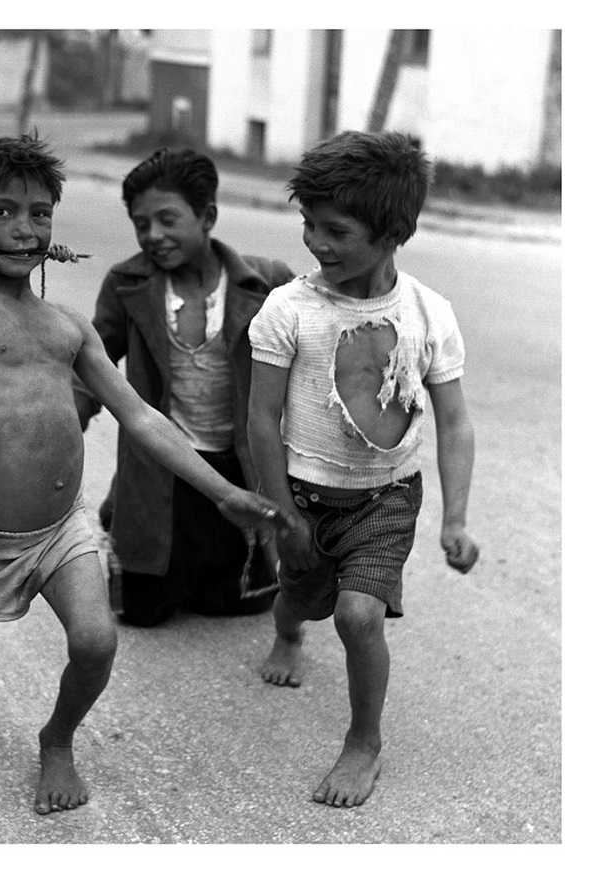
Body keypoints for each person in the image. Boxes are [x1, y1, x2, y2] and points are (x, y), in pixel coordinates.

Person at [0, 134, 291, 816]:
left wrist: (225, 492)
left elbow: (143, 417)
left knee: (96, 639)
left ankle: (56, 738)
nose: (24, 229)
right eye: (1, 212)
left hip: (62, 531)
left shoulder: (67, 327)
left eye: (39, 214)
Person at [248, 130, 480, 808]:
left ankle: (363, 743)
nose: (315, 242)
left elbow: (455, 420)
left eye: (335, 230)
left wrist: (456, 520)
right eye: (308, 225)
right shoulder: (288, 308)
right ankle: (287, 631)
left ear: (392, 233)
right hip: (302, 497)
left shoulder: (429, 313)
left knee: (356, 616)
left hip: (385, 499)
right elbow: (262, 418)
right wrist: (279, 509)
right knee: (299, 595)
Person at [74, 149, 295, 627]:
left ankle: (211, 548)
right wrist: (63, 425)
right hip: (161, 470)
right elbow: (93, 368)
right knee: (143, 611)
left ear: (207, 216)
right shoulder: (127, 285)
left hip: (238, 471)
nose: (153, 235)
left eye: (168, 219)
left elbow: (310, 370)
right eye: (141, 223)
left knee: (231, 604)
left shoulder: (269, 284)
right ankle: (122, 512)